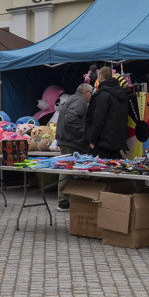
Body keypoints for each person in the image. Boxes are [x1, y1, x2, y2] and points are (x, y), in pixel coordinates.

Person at [55, 83, 93, 212]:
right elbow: (70, 120)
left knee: (67, 170)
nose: (91, 97)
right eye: (91, 93)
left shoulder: (73, 99)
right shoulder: (79, 101)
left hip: (66, 139)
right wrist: (84, 134)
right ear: (87, 92)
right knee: (67, 171)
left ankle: (65, 200)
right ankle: (63, 202)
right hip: (70, 141)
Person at [85, 66, 131, 160]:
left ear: (101, 77)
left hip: (103, 143)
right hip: (118, 142)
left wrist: (92, 140)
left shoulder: (103, 94)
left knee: (101, 171)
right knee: (114, 171)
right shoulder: (122, 94)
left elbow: (98, 120)